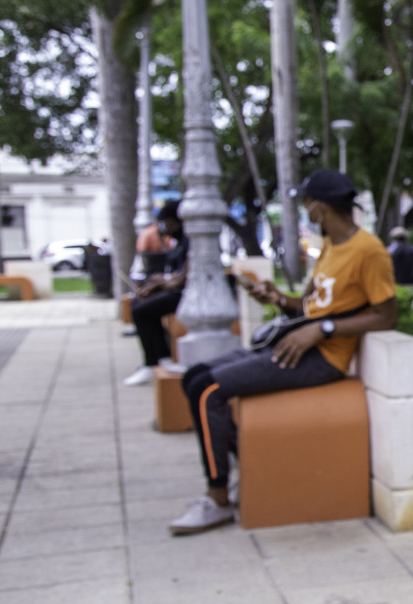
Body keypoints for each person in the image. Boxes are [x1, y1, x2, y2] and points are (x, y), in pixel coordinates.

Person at [169, 169, 397, 535]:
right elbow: (308, 307)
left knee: (208, 390)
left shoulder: (369, 251)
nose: (305, 209)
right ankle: (242, 468)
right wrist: (275, 298)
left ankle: (217, 499)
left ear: (320, 207)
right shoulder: (329, 246)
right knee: (194, 378)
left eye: (307, 203)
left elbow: (386, 316)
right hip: (293, 344)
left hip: (322, 359)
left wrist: (323, 330)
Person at [122, 201, 189, 386]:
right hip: (176, 290)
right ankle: (160, 358)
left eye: (169, 224)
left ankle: (152, 363)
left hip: (185, 294)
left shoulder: (190, 240)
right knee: (138, 303)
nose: (167, 228)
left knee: (141, 311)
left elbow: (183, 278)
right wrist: (156, 283)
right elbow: (172, 271)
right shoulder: (178, 241)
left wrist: (160, 284)